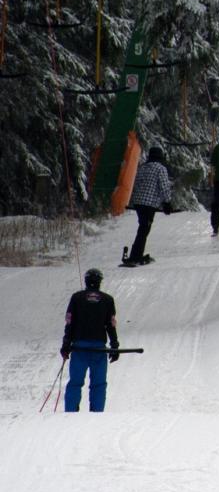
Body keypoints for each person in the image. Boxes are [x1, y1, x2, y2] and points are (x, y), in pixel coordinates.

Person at [61, 268, 120, 412]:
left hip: (79, 348)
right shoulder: (107, 300)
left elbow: (70, 323)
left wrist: (66, 344)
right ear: (100, 282)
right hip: (99, 348)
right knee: (99, 384)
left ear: (86, 281)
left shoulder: (76, 298)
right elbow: (111, 325)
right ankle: (97, 414)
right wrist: (114, 346)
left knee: (75, 382)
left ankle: (70, 413)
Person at [123, 145, 172, 266]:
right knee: (144, 229)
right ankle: (136, 256)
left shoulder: (142, 167)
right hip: (149, 204)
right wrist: (167, 203)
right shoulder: (161, 169)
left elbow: (136, 184)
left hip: (138, 202)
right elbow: (164, 187)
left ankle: (136, 254)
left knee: (143, 227)